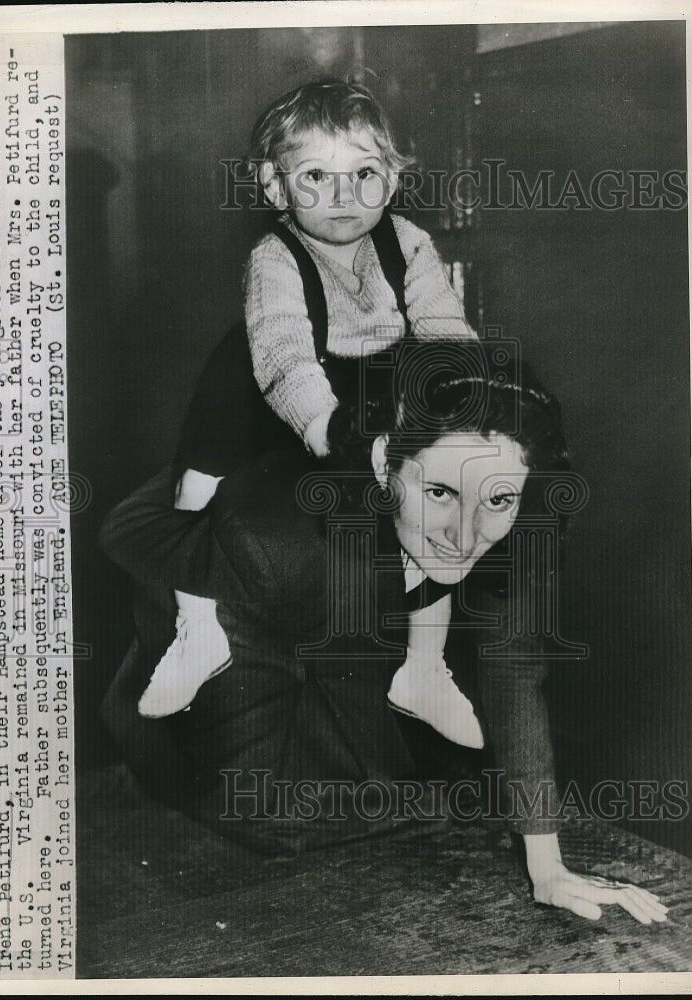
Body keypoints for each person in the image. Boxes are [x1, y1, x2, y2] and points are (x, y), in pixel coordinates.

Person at [100, 342, 668, 924]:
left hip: (337, 615)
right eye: (440, 493)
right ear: (383, 466)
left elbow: (514, 671)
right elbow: (131, 532)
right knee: (286, 816)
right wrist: (193, 625)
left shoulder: (510, 530)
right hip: (212, 630)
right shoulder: (274, 543)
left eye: (498, 500)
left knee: (397, 786)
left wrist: (547, 867)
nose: (465, 536)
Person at [138, 79, 479, 734]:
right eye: (317, 175)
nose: (345, 196)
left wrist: (447, 404)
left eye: (365, 174)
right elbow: (286, 361)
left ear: (395, 177)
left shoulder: (407, 245)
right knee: (196, 489)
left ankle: (425, 669)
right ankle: (197, 630)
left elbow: (444, 332)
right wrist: (329, 431)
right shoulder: (275, 257)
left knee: (430, 502)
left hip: (371, 380)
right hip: (262, 377)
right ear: (275, 185)